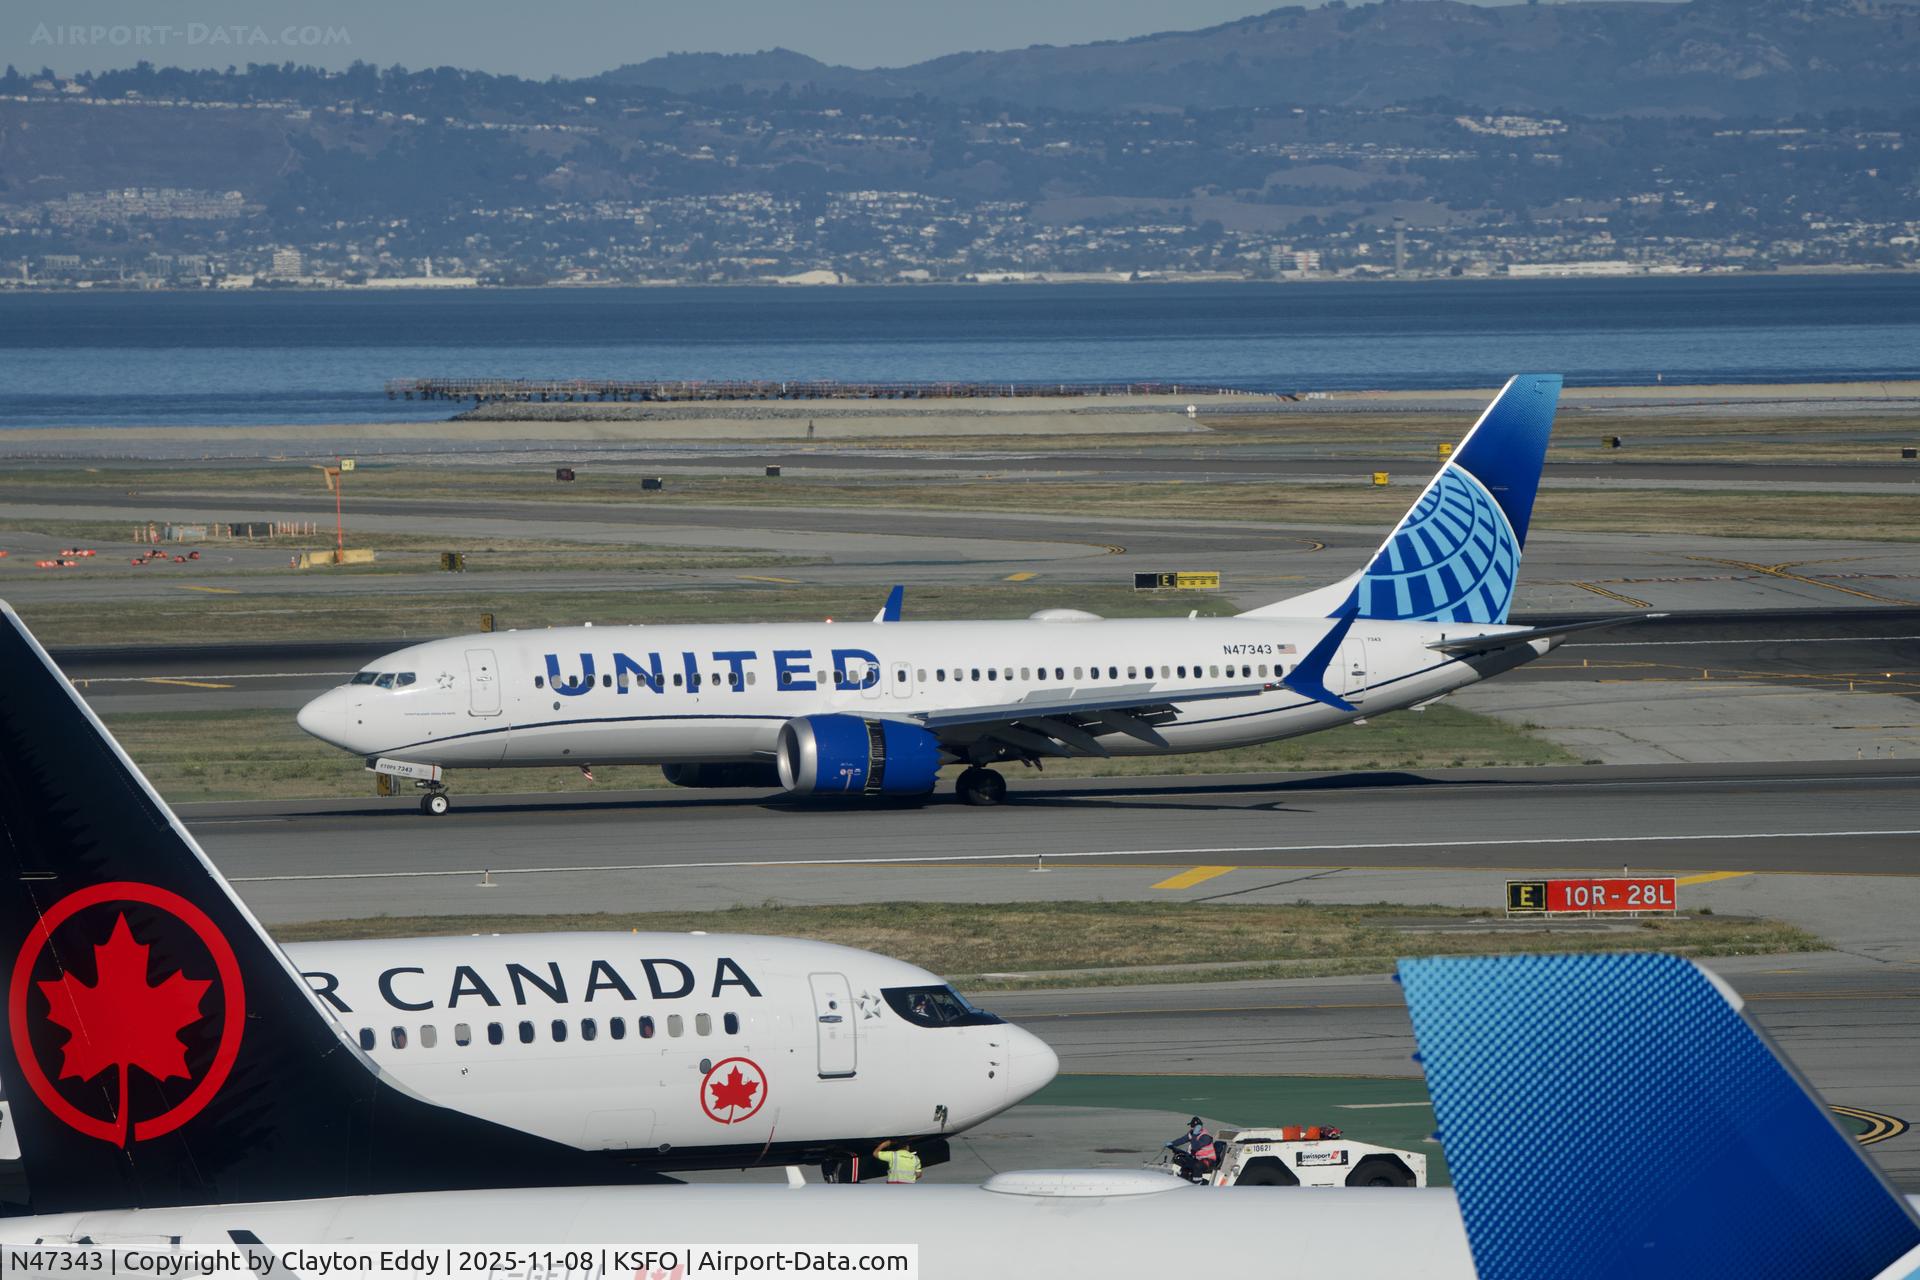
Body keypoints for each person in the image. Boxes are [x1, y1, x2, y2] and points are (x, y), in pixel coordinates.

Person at [1165, 1116, 1217, 1182]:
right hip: (1198, 1159)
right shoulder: (1192, 1133)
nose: (1191, 1128)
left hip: (1208, 1160)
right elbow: (1183, 1139)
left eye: (1192, 1126)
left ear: (1198, 1127)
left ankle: (1197, 1184)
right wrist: (1172, 1143)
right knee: (1184, 1162)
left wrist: (1195, 1135)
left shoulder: (1205, 1136)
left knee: (1197, 1166)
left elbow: (1195, 1146)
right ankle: (1183, 1181)